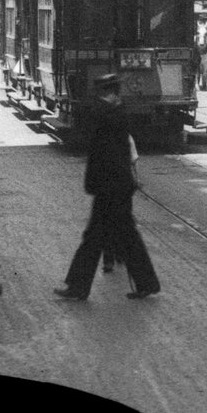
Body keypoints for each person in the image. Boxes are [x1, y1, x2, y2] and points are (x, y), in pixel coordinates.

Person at [56, 72, 160, 300]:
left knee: (95, 238)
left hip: (110, 188)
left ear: (106, 92)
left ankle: (78, 287)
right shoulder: (114, 112)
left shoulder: (108, 113)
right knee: (120, 237)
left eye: (103, 92)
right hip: (116, 187)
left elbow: (102, 150)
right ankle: (145, 283)